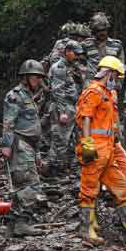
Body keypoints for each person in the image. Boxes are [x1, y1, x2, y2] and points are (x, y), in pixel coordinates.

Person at [75, 56, 126, 245]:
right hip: (95, 146)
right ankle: (86, 230)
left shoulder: (107, 93)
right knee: (89, 188)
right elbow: (85, 117)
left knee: (121, 185)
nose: (117, 80)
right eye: (115, 76)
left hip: (108, 146)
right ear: (108, 73)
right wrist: (86, 143)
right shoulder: (93, 91)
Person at [1, 60, 48, 237]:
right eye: (35, 76)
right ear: (26, 77)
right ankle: (21, 223)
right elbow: (8, 123)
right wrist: (6, 146)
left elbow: (33, 127)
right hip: (19, 144)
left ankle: (13, 225)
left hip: (29, 145)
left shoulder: (30, 97)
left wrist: (37, 154)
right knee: (31, 185)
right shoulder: (15, 96)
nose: (38, 80)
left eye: (39, 77)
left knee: (23, 184)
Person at [48, 41, 84, 175]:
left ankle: (67, 166)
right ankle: (54, 168)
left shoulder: (72, 67)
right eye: (76, 53)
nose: (78, 57)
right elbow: (57, 92)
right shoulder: (59, 68)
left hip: (73, 106)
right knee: (60, 139)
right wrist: (62, 112)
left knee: (72, 138)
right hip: (63, 107)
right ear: (67, 51)